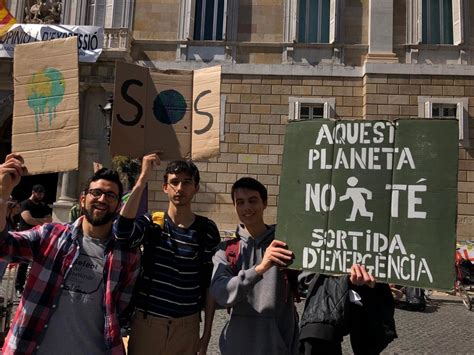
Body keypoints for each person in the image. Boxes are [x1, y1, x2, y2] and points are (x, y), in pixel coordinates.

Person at [210, 177, 377, 355]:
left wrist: (347, 278)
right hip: (237, 346)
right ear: (235, 206)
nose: (247, 208)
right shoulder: (227, 250)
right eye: (240, 202)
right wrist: (260, 268)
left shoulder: (286, 245)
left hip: (280, 346)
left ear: (265, 203)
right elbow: (221, 293)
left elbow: (313, 279)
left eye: (253, 200)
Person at [0, 153, 141, 355]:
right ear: (83, 199)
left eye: (110, 195)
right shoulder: (50, 235)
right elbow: (3, 246)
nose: (102, 199)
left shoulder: (128, 255)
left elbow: (122, 312)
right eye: (96, 193)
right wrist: (2, 193)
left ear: (118, 205)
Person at [114, 153, 221, 355]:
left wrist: (206, 336)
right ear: (165, 187)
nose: (180, 188)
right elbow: (122, 233)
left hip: (187, 326)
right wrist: (142, 179)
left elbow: (209, 284)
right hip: (148, 324)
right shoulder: (152, 222)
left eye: (187, 182)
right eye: (174, 182)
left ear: (196, 188)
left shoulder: (207, 229)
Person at [15, 184, 52, 295]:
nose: (41, 196)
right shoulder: (25, 204)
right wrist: (42, 221)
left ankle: (33, 287)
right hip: (26, 237)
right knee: (23, 263)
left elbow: (50, 220)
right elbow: (28, 219)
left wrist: (36, 220)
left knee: (38, 263)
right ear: (33, 192)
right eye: (39, 193)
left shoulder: (43, 205)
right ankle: (19, 287)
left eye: (42, 194)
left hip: (40, 237)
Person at [0, 200, 21, 281]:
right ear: (11, 208)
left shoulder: (14, 219)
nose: (18, 209)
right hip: (2, 248)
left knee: (2, 273)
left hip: (7, 250)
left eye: (19, 207)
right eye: (17, 207)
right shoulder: (4, 219)